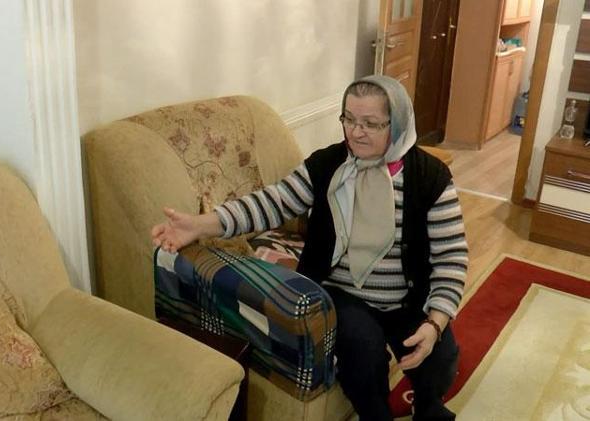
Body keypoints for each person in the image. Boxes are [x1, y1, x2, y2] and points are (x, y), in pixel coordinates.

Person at [151, 75, 466, 421]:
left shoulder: (431, 177)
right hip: (343, 294)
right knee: (362, 353)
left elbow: (451, 258)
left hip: (408, 297)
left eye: (371, 124)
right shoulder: (327, 165)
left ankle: (428, 405)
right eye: (349, 119)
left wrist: (435, 323)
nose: (356, 132)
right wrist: (199, 224)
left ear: (399, 123)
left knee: (441, 356)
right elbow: (270, 203)